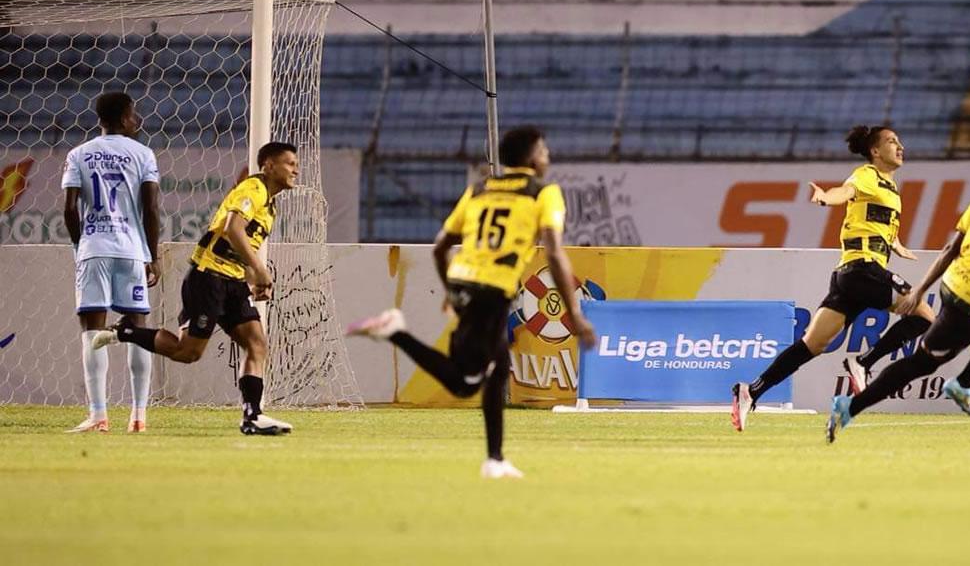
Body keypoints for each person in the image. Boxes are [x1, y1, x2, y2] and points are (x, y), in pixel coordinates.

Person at [346, 126, 596, 479]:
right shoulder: (544, 193)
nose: (547, 156)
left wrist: (452, 292)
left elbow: (440, 248)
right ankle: (395, 331)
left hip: (465, 282)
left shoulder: (479, 189)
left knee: (497, 368)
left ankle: (495, 459)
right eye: (543, 150)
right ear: (531, 158)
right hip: (492, 290)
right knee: (465, 382)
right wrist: (575, 315)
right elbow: (554, 253)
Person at [826, 152, 970, 442]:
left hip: (954, 284)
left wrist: (921, 289)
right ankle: (850, 407)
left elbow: (950, 250)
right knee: (922, 364)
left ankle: (963, 383)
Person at [730, 125, 934, 431]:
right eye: (892, 141)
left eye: (899, 141)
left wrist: (896, 244)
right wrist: (826, 196)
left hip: (848, 277)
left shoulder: (890, 188)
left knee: (812, 344)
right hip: (863, 268)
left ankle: (751, 391)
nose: (900, 146)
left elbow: (876, 222)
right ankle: (863, 363)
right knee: (925, 316)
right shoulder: (866, 175)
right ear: (875, 151)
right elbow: (846, 192)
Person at [93, 142, 300, 436]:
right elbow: (232, 229)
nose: (296, 170)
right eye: (290, 163)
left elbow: (237, 244)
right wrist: (260, 269)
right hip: (208, 278)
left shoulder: (270, 205)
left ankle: (252, 416)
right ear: (268, 166)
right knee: (187, 352)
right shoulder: (252, 189)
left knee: (257, 344)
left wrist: (252, 277)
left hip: (233, 282)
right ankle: (126, 331)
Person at [62, 91, 161, 433]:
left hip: (94, 250)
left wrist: (81, 245)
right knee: (138, 330)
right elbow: (151, 209)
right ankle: (139, 416)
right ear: (122, 118)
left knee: (92, 332)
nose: (137, 120)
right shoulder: (143, 154)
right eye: (134, 114)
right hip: (132, 251)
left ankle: (99, 415)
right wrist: (152, 257)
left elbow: (69, 209)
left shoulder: (78, 154)